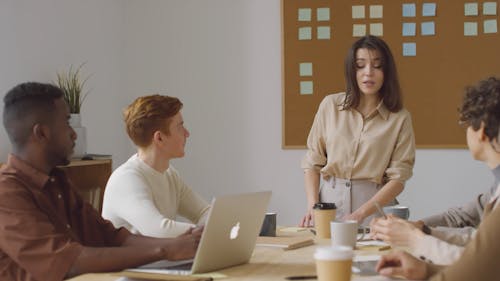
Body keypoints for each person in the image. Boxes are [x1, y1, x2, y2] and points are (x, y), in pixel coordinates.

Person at [0, 82, 202, 281]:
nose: (74, 133)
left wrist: (177, 246)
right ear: (41, 133)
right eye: (66, 123)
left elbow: (110, 238)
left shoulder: (58, 182)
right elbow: (69, 262)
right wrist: (165, 250)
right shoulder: (6, 193)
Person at [376, 77, 500, 280]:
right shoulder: (495, 190)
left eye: (467, 124)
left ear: (482, 132)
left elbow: (476, 267)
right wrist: (421, 235)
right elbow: (477, 244)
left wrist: (415, 239)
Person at [300, 35, 416, 226]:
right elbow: (313, 162)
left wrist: (361, 214)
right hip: (328, 206)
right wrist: (313, 206)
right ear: (351, 70)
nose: (368, 72)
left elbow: (398, 178)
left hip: (374, 210)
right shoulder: (330, 106)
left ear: (387, 71)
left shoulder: (400, 118)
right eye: (360, 65)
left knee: (375, 256)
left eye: (377, 66)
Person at [102, 94, 210, 238]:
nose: (187, 133)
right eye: (180, 127)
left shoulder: (170, 175)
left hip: (159, 260)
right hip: (138, 261)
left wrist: (209, 229)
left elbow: (204, 212)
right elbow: (159, 230)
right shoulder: (126, 179)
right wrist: (209, 231)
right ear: (159, 138)